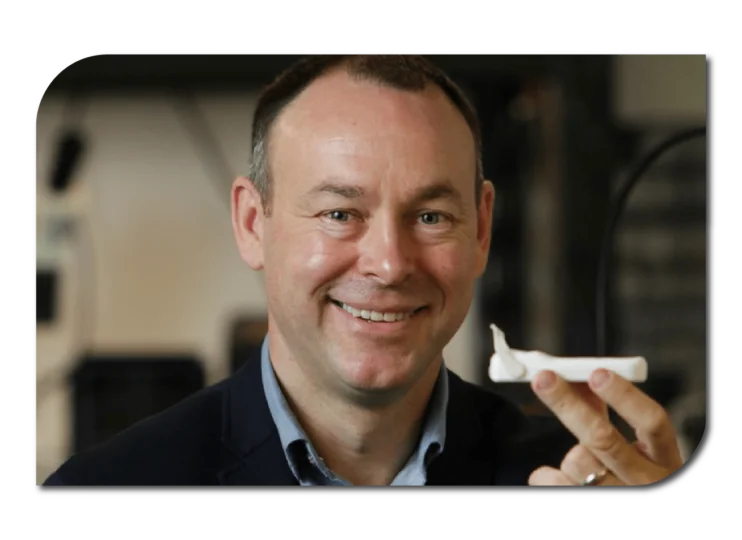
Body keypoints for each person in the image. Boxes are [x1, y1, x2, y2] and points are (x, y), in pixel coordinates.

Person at [42, 54, 685, 486]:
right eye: (340, 213)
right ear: (251, 223)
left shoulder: (586, 476)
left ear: (482, 227)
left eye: (431, 217)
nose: (389, 264)